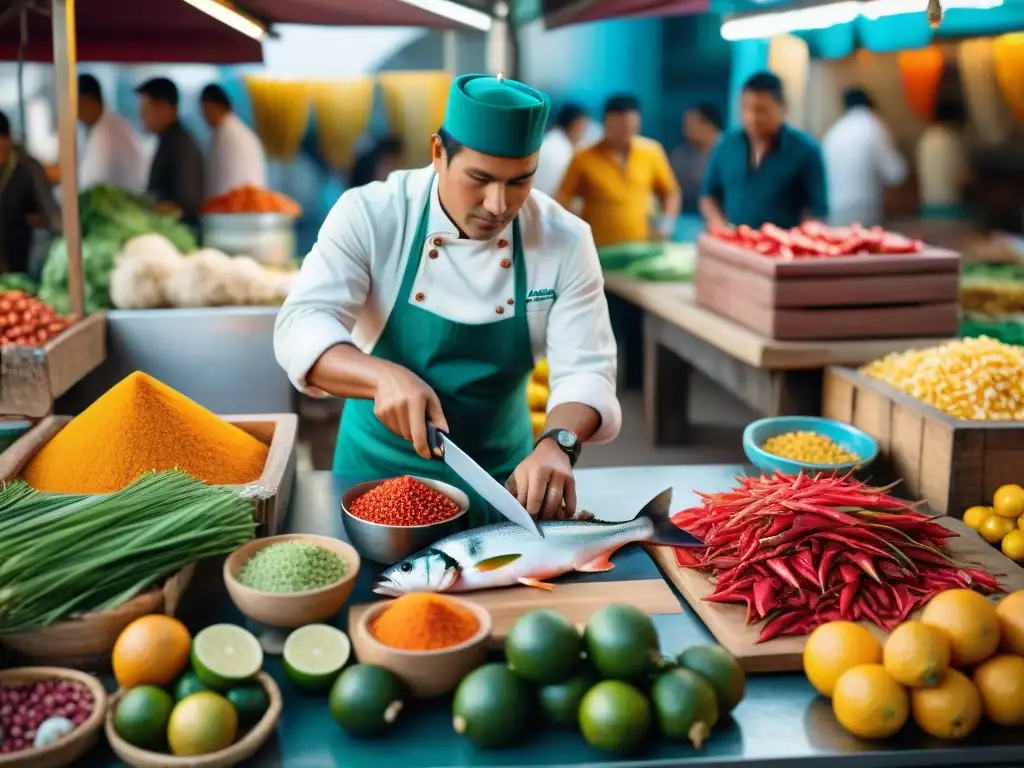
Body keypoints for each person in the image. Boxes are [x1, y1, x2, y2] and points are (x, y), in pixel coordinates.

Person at [274, 74, 620, 526]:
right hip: (374, 480)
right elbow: (302, 323)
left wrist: (558, 443)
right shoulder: (373, 214)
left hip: (504, 483)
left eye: (520, 181)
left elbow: (586, 369)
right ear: (438, 153)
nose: (498, 204)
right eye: (479, 178)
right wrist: (379, 377)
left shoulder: (565, 240)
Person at [700, 72, 828, 230]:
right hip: (734, 244)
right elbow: (708, 196)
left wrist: (801, 239)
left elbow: (816, 210)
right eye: (746, 109)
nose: (752, 118)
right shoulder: (727, 145)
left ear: (783, 107)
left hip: (781, 248)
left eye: (761, 110)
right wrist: (718, 223)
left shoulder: (806, 151)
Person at [556, 94, 680, 247]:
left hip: (642, 246)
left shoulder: (652, 152)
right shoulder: (583, 157)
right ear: (606, 123)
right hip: (599, 248)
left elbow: (670, 193)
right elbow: (563, 198)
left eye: (631, 128)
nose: (625, 134)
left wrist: (666, 226)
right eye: (619, 128)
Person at [822, 88, 907, 227]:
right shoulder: (873, 125)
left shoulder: (835, 131)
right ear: (871, 104)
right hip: (864, 209)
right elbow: (896, 173)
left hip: (833, 210)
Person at [135, 77, 204, 227]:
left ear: (164, 107)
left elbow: (188, 202)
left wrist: (149, 210)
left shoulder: (182, 145)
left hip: (181, 235)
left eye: (145, 109)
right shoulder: (166, 140)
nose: (142, 116)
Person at [0, 110, 61, 277]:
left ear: (9, 139)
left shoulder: (29, 168)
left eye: (3, 149)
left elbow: (51, 214)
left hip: (23, 255)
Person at [77, 74, 147, 193]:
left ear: (86, 101)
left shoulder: (108, 134)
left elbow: (94, 184)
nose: (75, 114)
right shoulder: (104, 127)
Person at [199, 84, 267, 199]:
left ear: (213, 106)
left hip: (233, 207)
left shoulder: (228, 135)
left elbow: (222, 183)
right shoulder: (233, 131)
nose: (203, 116)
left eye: (204, 110)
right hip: (242, 205)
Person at [916, 97, 969, 220]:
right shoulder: (950, 139)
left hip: (927, 207)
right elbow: (962, 177)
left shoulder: (925, 138)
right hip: (950, 208)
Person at [670, 103, 723, 213]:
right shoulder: (682, 154)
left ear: (708, 125)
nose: (686, 130)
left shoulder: (730, 150)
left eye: (690, 124)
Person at [534, 103, 589, 197]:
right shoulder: (560, 151)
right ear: (575, 125)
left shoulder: (551, 141)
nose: (585, 132)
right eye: (584, 126)